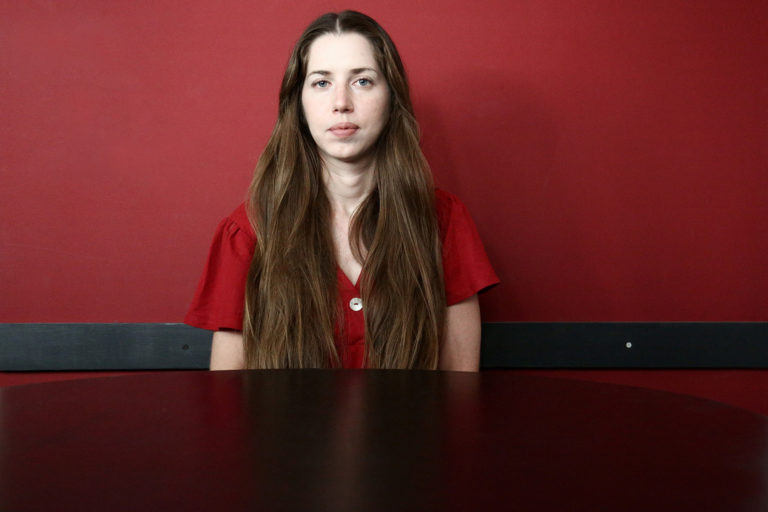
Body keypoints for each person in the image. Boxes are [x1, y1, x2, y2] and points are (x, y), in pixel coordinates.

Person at [185, 11, 498, 371]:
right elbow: (228, 393)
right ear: (299, 104)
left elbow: (459, 388)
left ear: (391, 98)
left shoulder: (443, 221)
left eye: (362, 81)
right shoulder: (247, 232)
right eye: (321, 83)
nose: (341, 102)